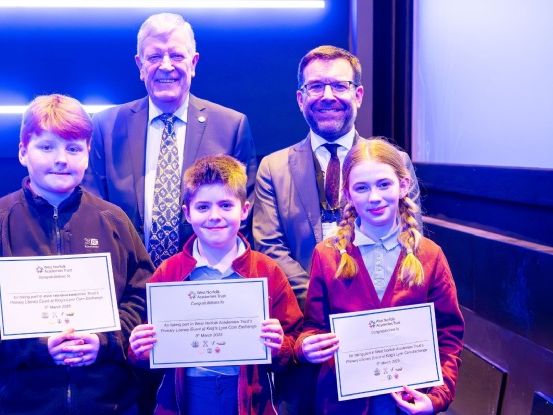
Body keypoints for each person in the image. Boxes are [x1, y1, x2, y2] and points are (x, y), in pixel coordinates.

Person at [0, 94, 154, 415]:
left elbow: (141, 294)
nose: (61, 159)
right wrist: (33, 347)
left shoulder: (113, 220)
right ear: (23, 151)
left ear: (88, 154)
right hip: (23, 404)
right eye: (47, 147)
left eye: (73, 149)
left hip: (110, 403)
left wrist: (107, 341)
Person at [253, 45, 421, 413]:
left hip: (379, 344)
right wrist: (327, 302)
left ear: (358, 95)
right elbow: (270, 249)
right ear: (301, 98)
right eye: (316, 86)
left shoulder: (394, 162)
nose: (327, 95)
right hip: (304, 341)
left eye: (339, 86)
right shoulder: (272, 168)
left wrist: (359, 314)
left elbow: (410, 245)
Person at [295, 138, 464, 414]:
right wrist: (305, 347)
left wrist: (437, 397)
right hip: (343, 405)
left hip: (408, 404)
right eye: (361, 188)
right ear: (348, 194)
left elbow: (448, 336)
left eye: (384, 184)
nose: (374, 197)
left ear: (403, 185)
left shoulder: (430, 255)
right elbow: (315, 327)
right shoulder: (326, 255)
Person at [128, 155, 302, 415]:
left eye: (226, 205)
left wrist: (280, 347)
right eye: (203, 207)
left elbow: (293, 347)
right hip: (186, 398)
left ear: (244, 210)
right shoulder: (169, 272)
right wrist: (139, 351)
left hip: (248, 399)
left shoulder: (267, 271)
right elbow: (145, 355)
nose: (214, 216)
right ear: (187, 213)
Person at [83, 12, 258, 268]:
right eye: (154, 57)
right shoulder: (105, 126)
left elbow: (242, 218)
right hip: (126, 278)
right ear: (140, 65)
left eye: (176, 55)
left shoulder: (231, 126)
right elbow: (93, 215)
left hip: (205, 278)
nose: (166, 66)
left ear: (193, 63)